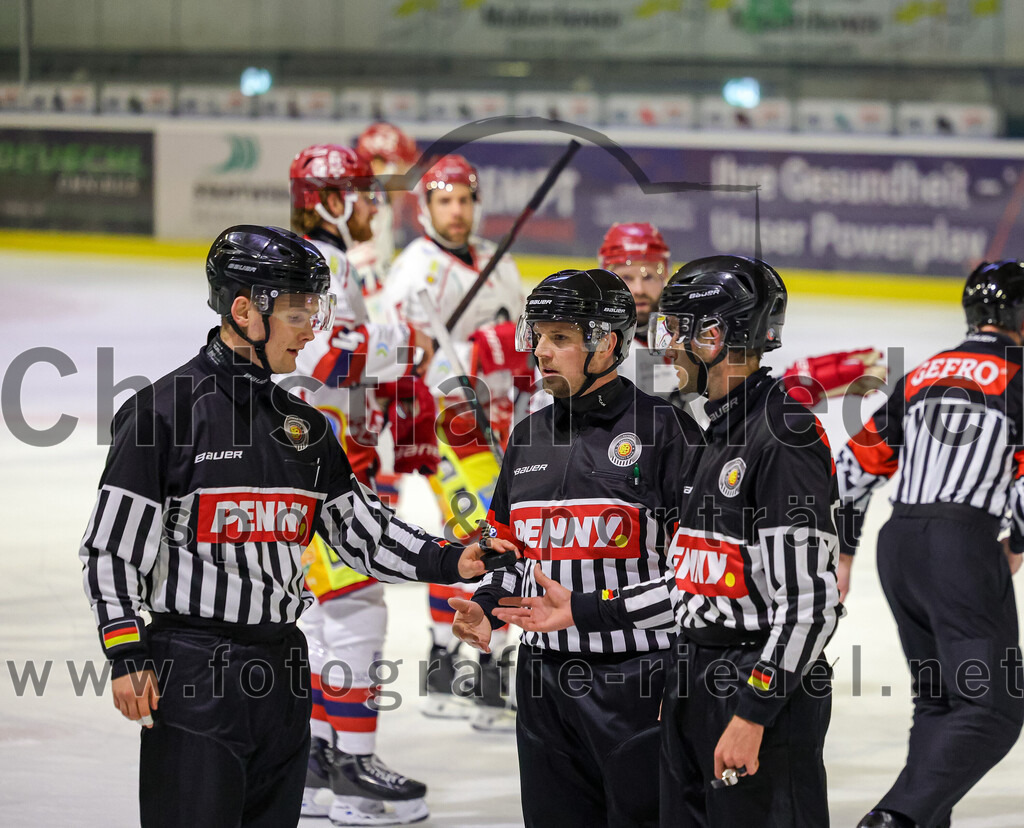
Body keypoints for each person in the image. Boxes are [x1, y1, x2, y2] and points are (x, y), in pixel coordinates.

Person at [79, 224, 512, 828]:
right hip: (196, 668)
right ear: (243, 311)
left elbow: (363, 532)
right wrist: (126, 651)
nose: (312, 328)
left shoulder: (303, 428)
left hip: (283, 669)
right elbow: (111, 550)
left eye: (316, 309)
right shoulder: (162, 414)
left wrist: (451, 558)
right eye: (297, 311)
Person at [494, 256, 842, 828]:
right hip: (693, 683)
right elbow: (690, 585)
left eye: (676, 331)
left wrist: (752, 712)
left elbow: (810, 605)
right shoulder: (718, 433)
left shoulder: (783, 434)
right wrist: (581, 609)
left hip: (747, 685)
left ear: (715, 336)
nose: (665, 348)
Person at [450, 268, 698, 827]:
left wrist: (591, 610)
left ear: (606, 343)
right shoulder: (527, 436)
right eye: (537, 335)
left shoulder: (668, 432)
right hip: (542, 682)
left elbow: (696, 579)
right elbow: (509, 551)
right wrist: (488, 604)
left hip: (639, 681)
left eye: (559, 337)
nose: (540, 351)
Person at [835, 260, 1024, 828]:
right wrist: (1015, 545)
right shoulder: (1019, 376)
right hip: (961, 545)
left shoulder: (924, 373)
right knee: (991, 710)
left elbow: (853, 466)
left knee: (938, 701)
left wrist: (845, 553)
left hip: (897, 545)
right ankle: (894, 818)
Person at [288, 144, 439, 824]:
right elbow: (324, 356)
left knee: (325, 617)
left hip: (307, 463)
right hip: (324, 471)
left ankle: (318, 762)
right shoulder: (323, 262)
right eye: (362, 194)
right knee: (355, 609)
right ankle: (353, 774)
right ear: (330, 200)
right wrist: (404, 344)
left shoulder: (312, 260)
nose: (374, 207)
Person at [385, 153, 527, 728]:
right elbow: (398, 358)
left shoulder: (500, 263)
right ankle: (455, 666)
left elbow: (525, 341)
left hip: (501, 421)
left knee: (497, 538)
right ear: (426, 208)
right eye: (445, 200)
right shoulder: (414, 270)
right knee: (473, 538)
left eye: (465, 199)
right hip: (449, 426)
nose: (457, 211)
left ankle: (474, 667)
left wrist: (498, 352)